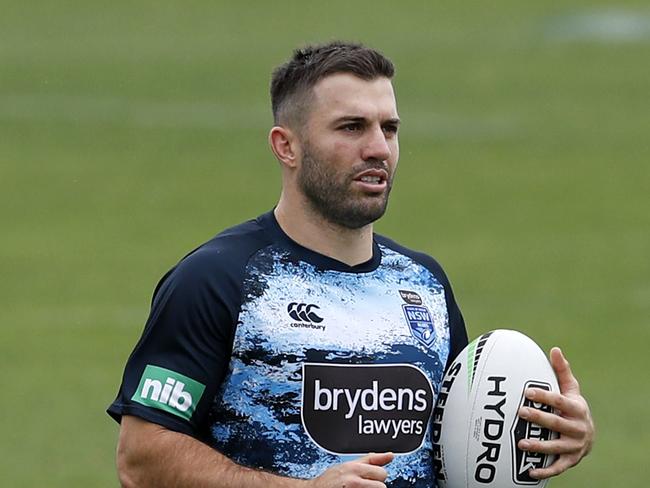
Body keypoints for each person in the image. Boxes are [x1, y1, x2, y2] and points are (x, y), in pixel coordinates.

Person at [108, 41, 594, 487]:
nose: (378, 148)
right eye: (351, 127)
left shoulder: (423, 284)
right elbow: (142, 457)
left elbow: (459, 446)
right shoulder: (218, 279)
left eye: (390, 128)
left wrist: (545, 435)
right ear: (287, 146)